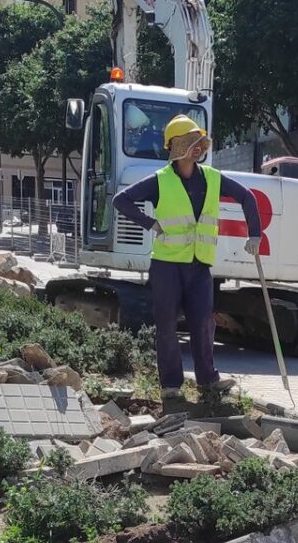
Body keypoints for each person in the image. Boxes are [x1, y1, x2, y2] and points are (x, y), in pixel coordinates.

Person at [112, 114, 262, 405]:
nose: (197, 148)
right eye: (191, 142)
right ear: (177, 146)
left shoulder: (213, 178)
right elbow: (121, 201)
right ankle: (171, 385)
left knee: (203, 323)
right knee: (166, 325)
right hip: (167, 266)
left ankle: (208, 380)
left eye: (199, 142)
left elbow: (247, 198)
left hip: (199, 267)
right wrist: (150, 223)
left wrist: (254, 234)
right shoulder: (160, 181)